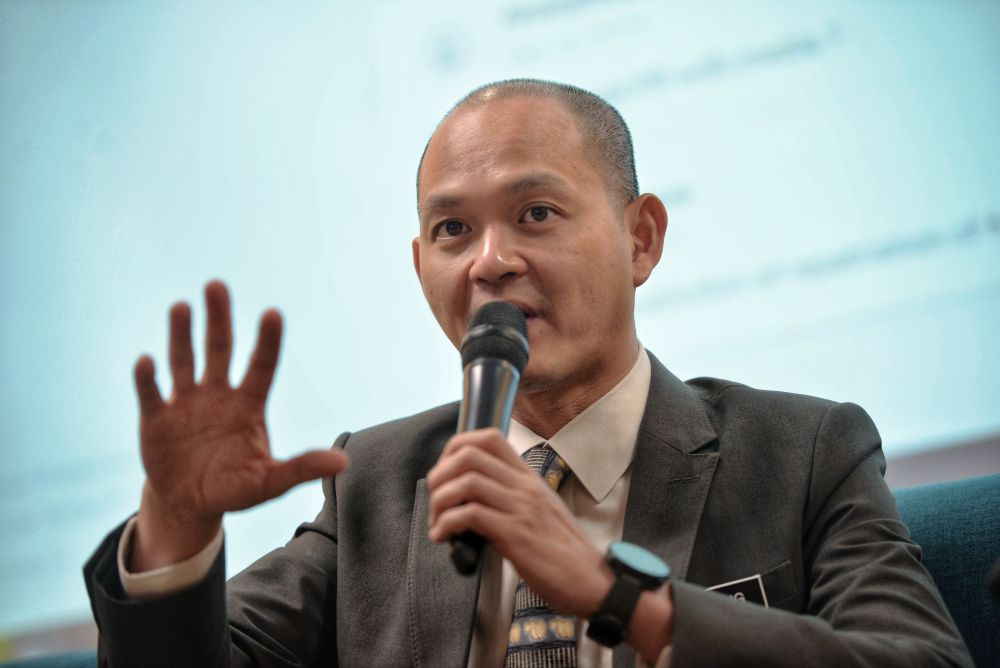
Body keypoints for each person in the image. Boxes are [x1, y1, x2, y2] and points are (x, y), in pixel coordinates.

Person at [84, 79, 971, 667]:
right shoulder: (380, 485)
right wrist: (176, 522)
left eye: (535, 212)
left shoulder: (804, 450)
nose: (490, 262)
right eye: (452, 231)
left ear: (641, 238)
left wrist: (618, 592)